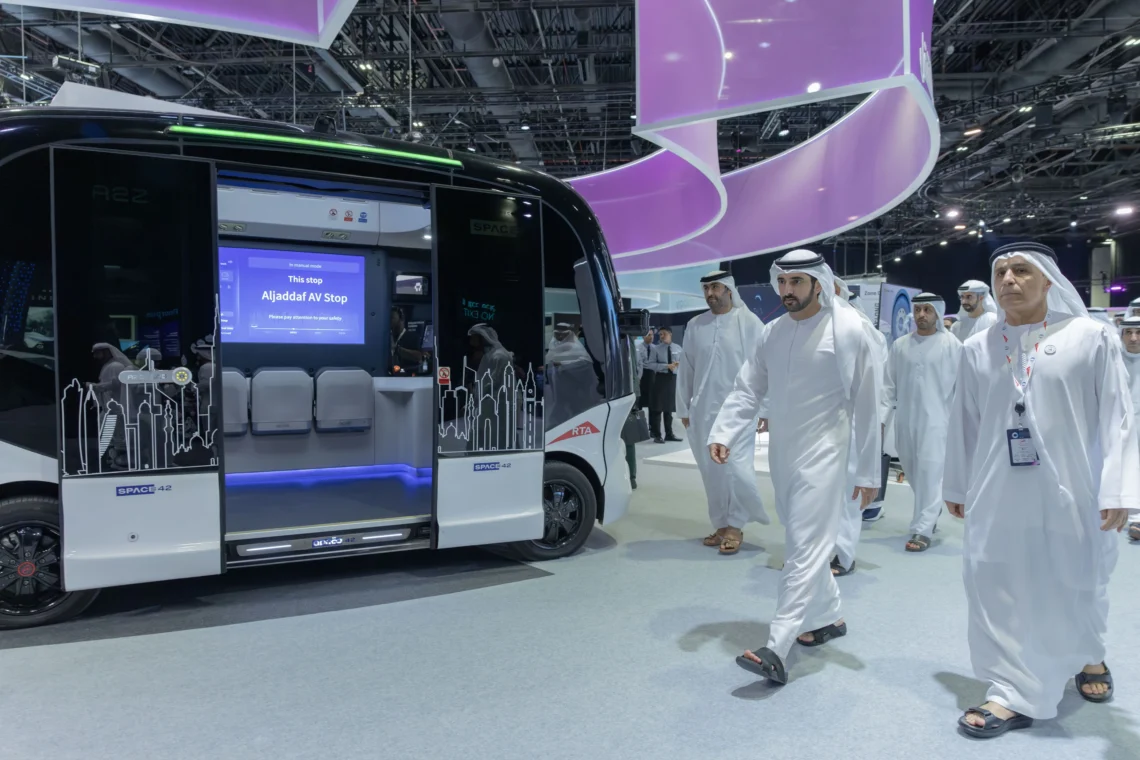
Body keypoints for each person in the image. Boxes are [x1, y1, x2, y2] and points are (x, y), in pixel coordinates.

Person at [943, 241, 1139, 739]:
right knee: (994, 579)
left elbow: (1119, 416)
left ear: (1049, 279)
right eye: (1001, 272)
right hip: (996, 489)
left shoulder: (1089, 337)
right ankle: (1013, 690)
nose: (1008, 280)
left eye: (1021, 271)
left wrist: (1118, 490)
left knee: (1078, 579)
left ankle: (1088, 652)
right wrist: (957, 483)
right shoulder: (977, 346)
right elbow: (964, 421)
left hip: (1074, 488)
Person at [710, 249, 882, 684]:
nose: (787, 290)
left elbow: (868, 405)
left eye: (797, 282)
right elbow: (748, 387)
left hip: (826, 453)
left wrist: (868, 472)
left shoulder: (849, 329)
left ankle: (778, 645)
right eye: (783, 282)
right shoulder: (773, 332)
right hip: (783, 455)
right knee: (804, 539)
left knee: (803, 547)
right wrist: (723, 431)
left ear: (817, 284)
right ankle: (829, 617)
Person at [677, 271, 770, 555]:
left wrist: (765, 408)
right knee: (711, 471)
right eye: (706, 288)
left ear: (729, 289)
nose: (710, 293)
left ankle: (736, 525)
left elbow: (763, 367)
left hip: (740, 411)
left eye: (715, 287)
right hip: (703, 410)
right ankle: (721, 524)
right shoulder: (696, 324)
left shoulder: (748, 322)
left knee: (737, 469)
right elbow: (686, 368)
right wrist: (683, 407)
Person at [882, 293, 961, 552]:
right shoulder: (900, 345)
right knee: (915, 473)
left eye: (927, 310)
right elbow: (888, 385)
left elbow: (961, 388)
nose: (921, 315)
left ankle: (922, 528)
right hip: (905, 421)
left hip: (937, 421)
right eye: (917, 310)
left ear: (937, 312)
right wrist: (882, 420)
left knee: (930, 474)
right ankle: (930, 512)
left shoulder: (952, 345)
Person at [831, 280, 889, 575]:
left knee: (847, 493)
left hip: (853, 424)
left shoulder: (866, 333)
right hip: (819, 428)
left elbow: (874, 388)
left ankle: (843, 554)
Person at [645, 327, 682, 443]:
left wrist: (678, 364)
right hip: (660, 379)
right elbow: (650, 364)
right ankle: (657, 435)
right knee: (657, 407)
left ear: (670, 334)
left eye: (663, 334)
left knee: (669, 408)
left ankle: (669, 434)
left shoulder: (678, 348)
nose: (661, 336)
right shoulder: (656, 349)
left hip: (673, 379)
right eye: (660, 334)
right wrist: (666, 366)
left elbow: (684, 363)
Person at [1121, 315, 1140, 542]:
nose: (1133, 338)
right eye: (1129, 332)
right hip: (1120, 426)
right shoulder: (1112, 360)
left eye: (1139, 333)